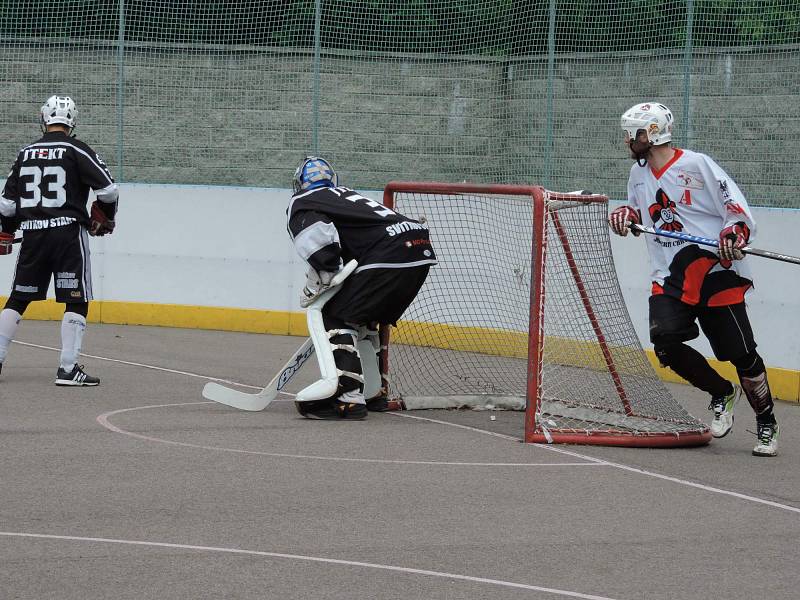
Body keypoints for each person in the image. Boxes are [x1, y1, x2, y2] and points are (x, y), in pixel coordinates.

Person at [609, 102, 778, 456]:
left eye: (634, 133)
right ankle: (721, 392)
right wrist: (626, 215)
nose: (628, 140)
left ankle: (766, 422)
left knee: (742, 355)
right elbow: (637, 209)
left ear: (653, 134)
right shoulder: (639, 174)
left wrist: (735, 233)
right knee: (666, 343)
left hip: (715, 272)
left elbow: (736, 208)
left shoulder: (696, 165)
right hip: (669, 274)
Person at [287, 156, 436, 419]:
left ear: (299, 182)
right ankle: (373, 391)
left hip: (388, 254)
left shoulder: (303, 202)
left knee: (335, 315)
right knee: (364, 319)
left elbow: (323, 251)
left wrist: (316, 284)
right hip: (418, 249)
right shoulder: (344, 194)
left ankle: (348, 397)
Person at [0, 95, 118, 386]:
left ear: (43, 119)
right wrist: (105, 216)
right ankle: (67, 369)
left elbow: (6, 206)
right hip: (67, 235)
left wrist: (6, 232)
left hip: (33, 235)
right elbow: (109, 191)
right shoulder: (76, 149)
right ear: (72, 121)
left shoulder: (25, 153)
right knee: (76, 300)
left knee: (18, 298)